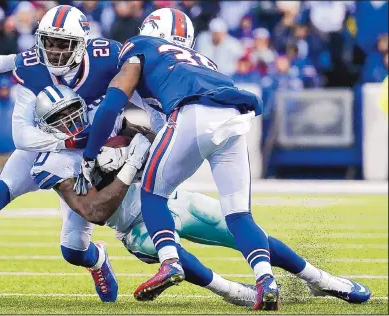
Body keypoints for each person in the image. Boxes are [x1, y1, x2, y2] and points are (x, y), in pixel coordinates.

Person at [73, 8, 365, 310]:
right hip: (232, 115)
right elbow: (160, 132)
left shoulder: (139, 48)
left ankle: (169, 261)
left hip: (191, 119)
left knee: (152, 192)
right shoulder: (199, 62)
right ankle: (294, 281)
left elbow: (112, 105)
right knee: (239, 214)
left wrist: (93, 154)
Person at [34, 84, 370, 306]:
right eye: (59, 119)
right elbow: (94, 211)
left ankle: (321, 280)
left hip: (170, 199)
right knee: (164, 255)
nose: (70, 121)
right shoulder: (52, 162)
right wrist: (127, 166)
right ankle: (234, 292)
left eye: (71, 111)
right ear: (47, 128)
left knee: (248, 234)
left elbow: (156, 141)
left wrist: (142, 145)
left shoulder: (109, 124)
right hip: (133, 227)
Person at [0, 4, 136, 303]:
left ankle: (97, 260)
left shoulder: (108, 57)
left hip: (86, 157)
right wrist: (66, 142)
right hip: (50, 144)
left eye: (64, 44)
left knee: (73, 250)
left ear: (82, 43)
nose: (55, 51)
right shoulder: (32, 67)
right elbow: (21, 135)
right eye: (49, 42)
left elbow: (143, 88)